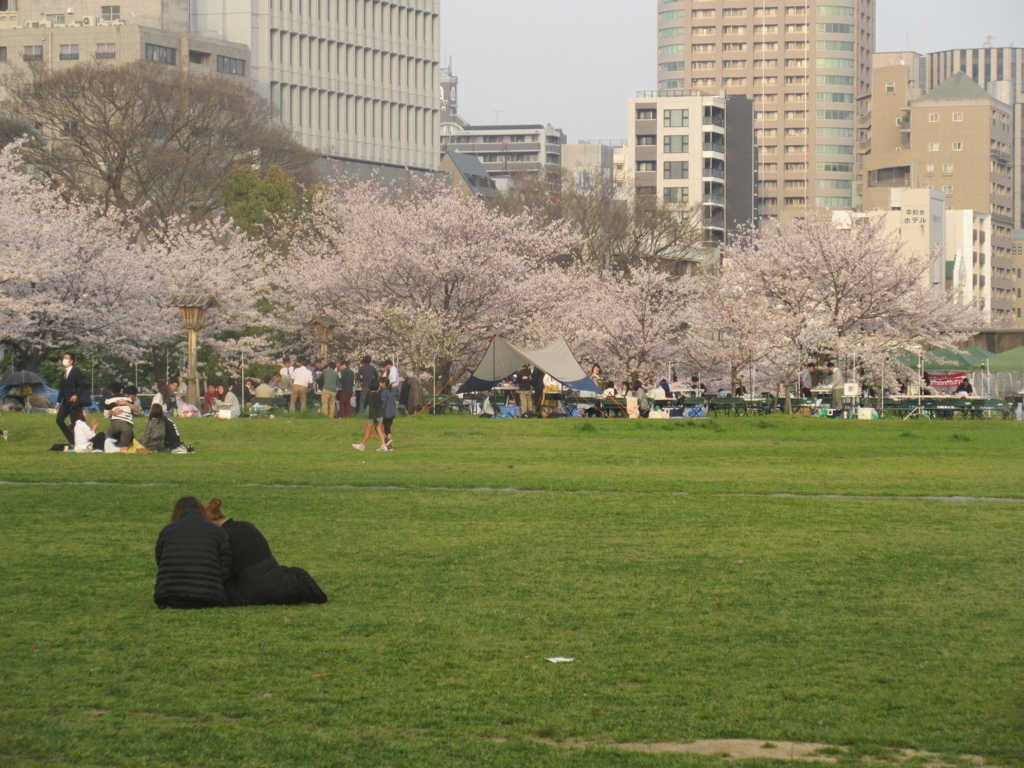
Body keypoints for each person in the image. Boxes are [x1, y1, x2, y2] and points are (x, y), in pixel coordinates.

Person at [202, 499, 327, 606]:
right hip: (282, 588)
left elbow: (223, 571)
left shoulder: (222, 536)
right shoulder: (247, 526)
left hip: (250, 592)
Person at [153, 497, 231, 610]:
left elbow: (160, 561)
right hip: (209, 597)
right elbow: (225, 567)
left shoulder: (167, 531)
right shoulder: (218, 531)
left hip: (169, 597)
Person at [55, 352, 89, 445]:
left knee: (75, 423)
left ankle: (78, 441)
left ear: (71, 361)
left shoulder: (76, 372)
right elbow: (61, 388)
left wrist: (76, 395)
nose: (64, 360)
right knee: (59, 420)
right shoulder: (64, 373)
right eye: (64, 358)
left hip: (75, 402)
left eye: (66, 358)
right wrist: (58, 402)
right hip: (66, 402)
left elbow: (80, 385)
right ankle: (72, 439)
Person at [352, 380, 388, 452]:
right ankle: (384, 445)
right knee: (379, 430)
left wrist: (373, 418)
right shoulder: (379, 394)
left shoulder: (370, 395)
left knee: (368, 430)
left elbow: (371, 407)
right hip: (380, 414)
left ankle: (362, 445)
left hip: (373, 415)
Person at [105, 384, 141, 452]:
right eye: (132, 396)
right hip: (127, 423)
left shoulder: (132, 400)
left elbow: (137, 410)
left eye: (135, 396)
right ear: (126, 395)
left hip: (125, 422)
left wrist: (126, 403)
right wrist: (113, 411)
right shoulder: (123, 399)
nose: (134, 398)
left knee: (113, 439)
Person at [379, 376, 397, 449]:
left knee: (380, 429)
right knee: (388, 429)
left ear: (383, 383)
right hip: (391, 413)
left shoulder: (383, 392)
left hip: (386, 414)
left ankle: (387, 441)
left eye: (380, 382)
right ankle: (389, 445)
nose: (379, 383)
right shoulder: (390, 392)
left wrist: (380, 411)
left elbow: (383, 403)